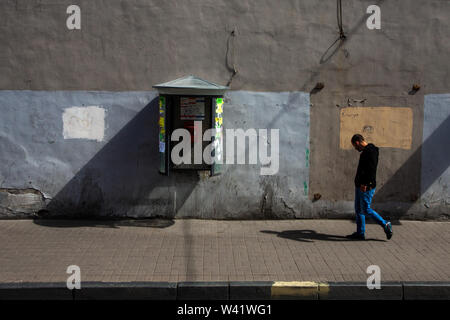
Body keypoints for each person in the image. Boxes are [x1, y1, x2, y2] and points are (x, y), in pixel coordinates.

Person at [346, 134, 393, 240]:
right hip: (360, 185)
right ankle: (360, 233)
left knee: (366, 209)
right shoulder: (367, 151)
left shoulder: (370, 152)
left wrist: (366, 184)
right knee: (359, 209)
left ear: (357, 142)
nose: (355, 148)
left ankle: (385, 224)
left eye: (354, 145)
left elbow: (371, 170)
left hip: (366, 186)